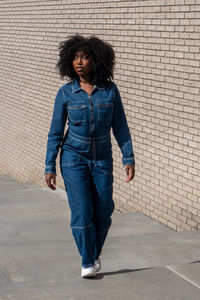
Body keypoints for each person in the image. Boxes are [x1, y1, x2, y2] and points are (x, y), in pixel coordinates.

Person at [44, 35, 135, 278]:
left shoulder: (109, 91)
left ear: (96, 60)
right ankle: (87, 261)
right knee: (82, 213)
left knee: (103, 214)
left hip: (103, 159)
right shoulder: (66, 93)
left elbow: (121, 127)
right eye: (75, 58)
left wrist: (128, 158)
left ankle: (93, 253)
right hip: (74, 157)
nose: (79, 62)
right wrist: (49, 165)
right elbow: (55, 132)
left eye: (84, 57)